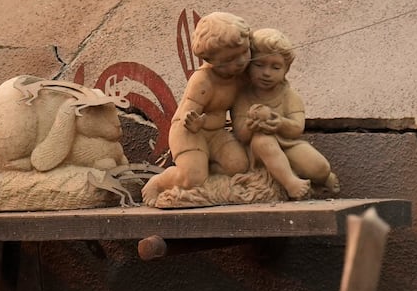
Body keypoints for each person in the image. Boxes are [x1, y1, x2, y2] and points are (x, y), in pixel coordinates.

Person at [142, 12, 252, 203]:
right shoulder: (203, 81)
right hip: (189, 132)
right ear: (210, 60)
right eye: (229, 60)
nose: (241, 62)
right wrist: (193, 122)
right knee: (191, 179)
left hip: (216, 133)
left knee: (238, 165)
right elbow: (188, 113)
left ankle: (209, 182)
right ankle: (160, 182)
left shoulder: (240, 76)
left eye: (245, 52)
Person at [232, 28, 337, 199]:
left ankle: (325, 178)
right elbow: (241, 135)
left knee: (319, 168)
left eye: (276, 67)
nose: (266, 73)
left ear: (286, 70)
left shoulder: (289, 95)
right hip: (257, 149)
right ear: (248, 65)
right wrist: (250, 127)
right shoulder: (242, 97)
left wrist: (280, 123)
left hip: (287, 143)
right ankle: (291, 183)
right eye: (259, 65)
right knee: (263, 140)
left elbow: (297, 128)